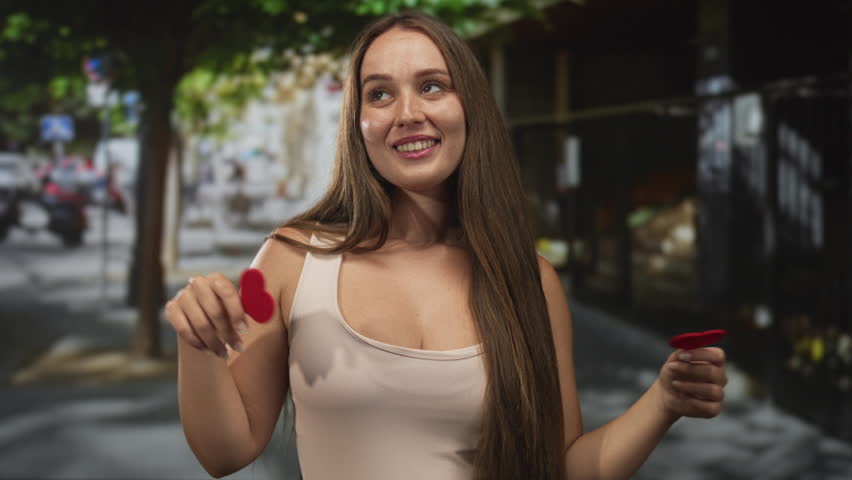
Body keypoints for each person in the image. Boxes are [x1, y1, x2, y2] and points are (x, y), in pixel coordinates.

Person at [166, 11, 728, 480]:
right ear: (358, 122)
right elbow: (225, 453)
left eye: (431, 86)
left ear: (470, 108)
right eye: (379, 93)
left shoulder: (530, 281)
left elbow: (562, 467)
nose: (408, 113)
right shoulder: (283, 263)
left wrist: (664, 400)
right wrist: (199, 343)